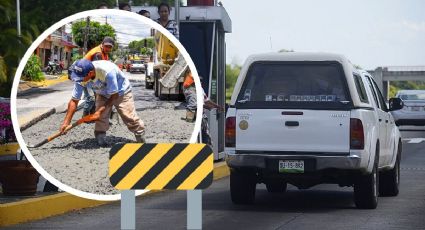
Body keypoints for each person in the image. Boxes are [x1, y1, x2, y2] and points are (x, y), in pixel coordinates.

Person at [62, 59, 145, 146]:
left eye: (81, 78)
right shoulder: (80, 77)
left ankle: (140, 135)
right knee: (100, 117)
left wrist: (99, 111)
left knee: (128, 115)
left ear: (90, 73)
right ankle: (100, 137)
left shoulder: (108, 72)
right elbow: (74, 101)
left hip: (121, 91)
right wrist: (66, 122)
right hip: (102, 92)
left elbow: (114, 95)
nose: (79, 80)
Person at [82, 37, 115, 117]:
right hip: (85, 77)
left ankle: (92, 115)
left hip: (92, 77)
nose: (108, 48)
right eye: (106, 46)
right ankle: (85, 116)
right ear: (102, 44)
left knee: (97, 95)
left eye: (110, 47)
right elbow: (96, 69)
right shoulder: (98, 54)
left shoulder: (104, 54)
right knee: (91, 98)